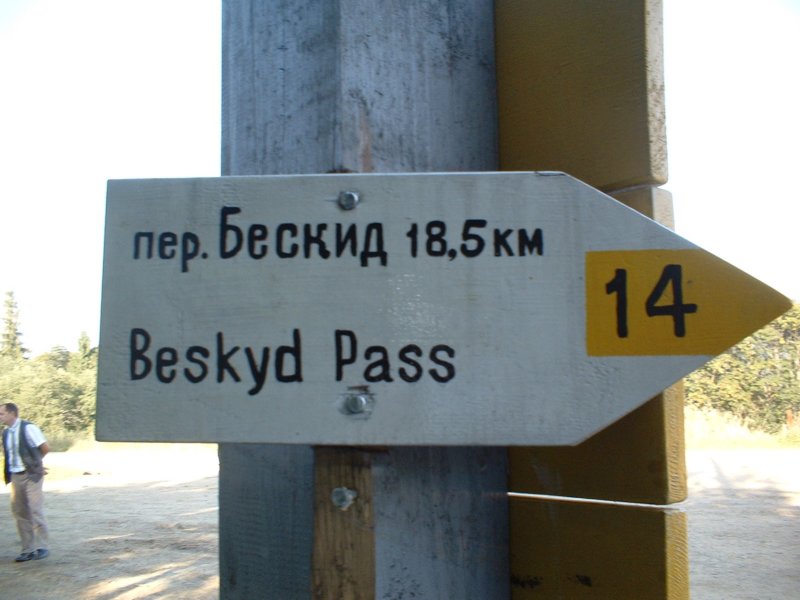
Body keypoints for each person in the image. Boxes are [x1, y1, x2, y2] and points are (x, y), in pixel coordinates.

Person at [0, 402, 50, 562]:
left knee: (35, 509)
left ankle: (42, 547)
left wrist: (36, 463)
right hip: (16, 475)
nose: (0, 417)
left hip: (32, 475)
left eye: (2, 413)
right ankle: (28, 549)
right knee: (20, 512)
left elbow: (45, 447)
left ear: (12, 413)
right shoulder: (6, 432)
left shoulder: (28, 428)